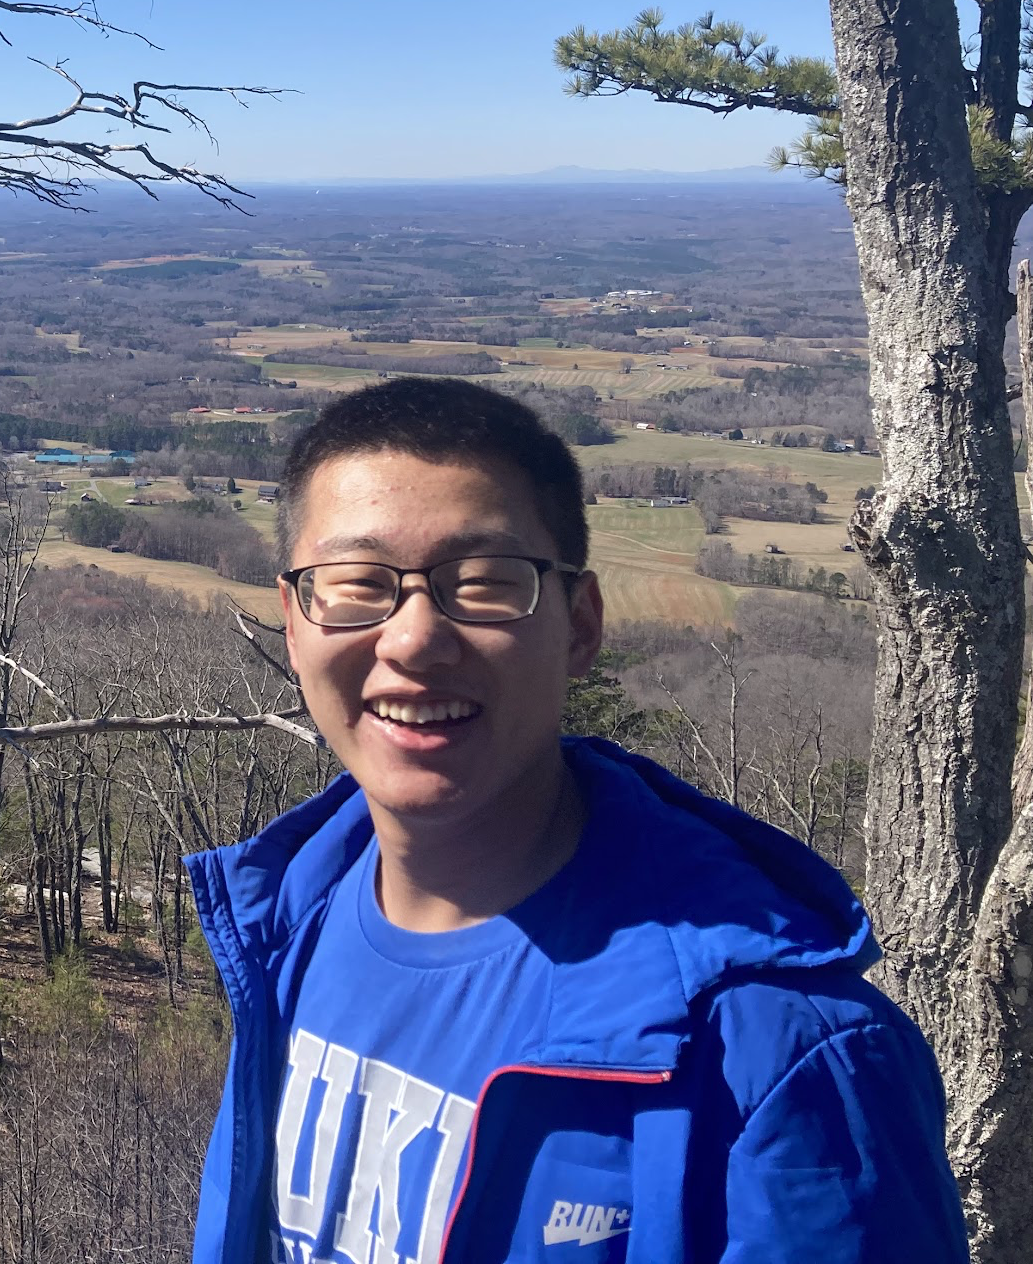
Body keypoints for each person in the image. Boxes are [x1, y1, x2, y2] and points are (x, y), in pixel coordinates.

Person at [187, 377, 964, 1264]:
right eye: (357, 585)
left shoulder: (779, 1054)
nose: (411, 639)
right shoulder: (289, 916)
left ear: (580, 625)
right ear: (294, 623)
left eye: (482, 583)